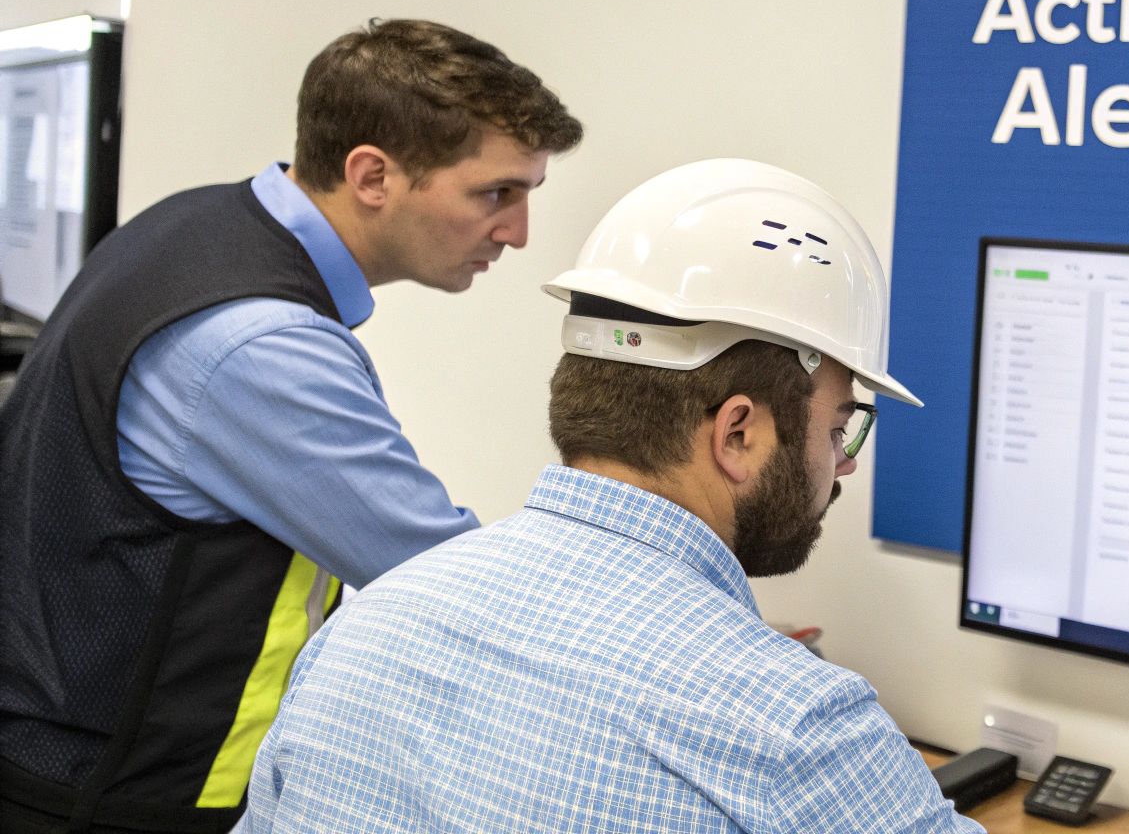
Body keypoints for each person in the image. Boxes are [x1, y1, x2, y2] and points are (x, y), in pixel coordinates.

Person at [234, 159, 983, 833]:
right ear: (739, 433)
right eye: (841, 428)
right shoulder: (793, 725)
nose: (842, 465)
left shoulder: (364, 626)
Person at [0, 19, 584, 833]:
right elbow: (447, 580)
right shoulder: (261, 344)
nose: (518, 233)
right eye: (497, 194)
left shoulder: (191, 223)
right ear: (372, 175)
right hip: (114, 797)